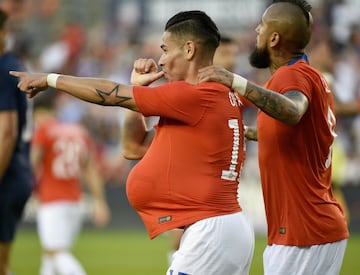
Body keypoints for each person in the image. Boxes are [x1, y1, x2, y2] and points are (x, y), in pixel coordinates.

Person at [11, 10, 255, 275]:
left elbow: (111, 95)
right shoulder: (211, 99)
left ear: (188, 50)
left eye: (165, 49)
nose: (160, 60)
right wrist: (139, 91)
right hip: (222, 228)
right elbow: (133, 147)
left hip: (211, 231)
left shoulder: (196, 95)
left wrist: (51, 79)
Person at [197, 0, 349, 274]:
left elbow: (292, 110)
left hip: (303, 232)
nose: (257, 30)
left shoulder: (291, 76)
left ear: (275, 38)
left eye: (262, 26)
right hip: (316, 227)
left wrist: (234, 81)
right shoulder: (311, 76)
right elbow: (295, 134)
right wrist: (244, 133)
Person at [30, 91, 110, 275]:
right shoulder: (78, 131)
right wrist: (99, 201)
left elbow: (33, 163)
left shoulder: (44, 130)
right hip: (75, 200)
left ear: (39, 113)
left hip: (51, 200)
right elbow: (91, 170)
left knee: (56, 253)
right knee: (51, 255)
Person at [0, 8, 32, 275]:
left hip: (6, 175)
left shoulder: (4, 69)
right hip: (17, 171)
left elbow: (6, 133)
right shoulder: (12, 65)